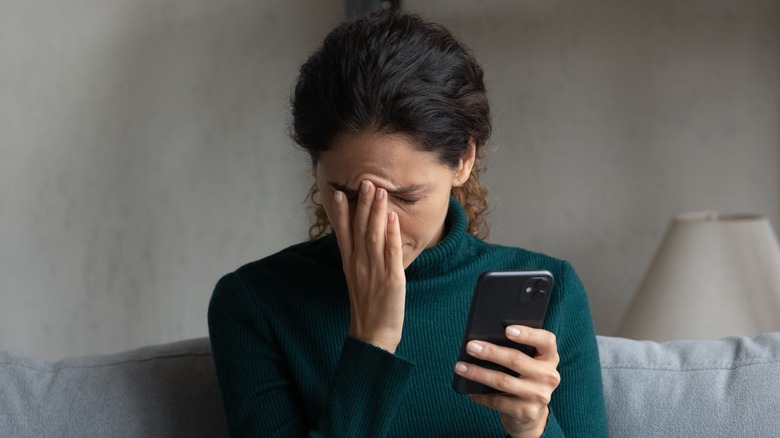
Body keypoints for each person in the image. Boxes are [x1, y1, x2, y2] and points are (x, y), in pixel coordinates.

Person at [208, 10, 608, 438]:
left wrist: (532, 427)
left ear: (464, 162)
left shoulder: (555, 291)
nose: (381, 225)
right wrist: (372, 340)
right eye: (349, 193)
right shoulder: (255, 302)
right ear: (315, 169)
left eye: (405, 197)